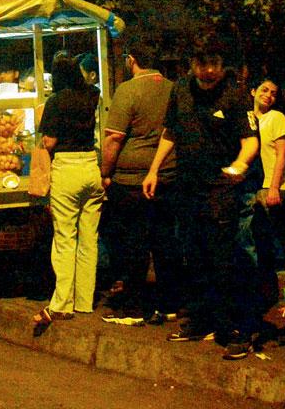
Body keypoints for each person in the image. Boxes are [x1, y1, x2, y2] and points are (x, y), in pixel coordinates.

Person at [144, 36, 262, 360]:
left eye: (214, 64)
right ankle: (199, 320)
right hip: (188, 187)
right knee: (194, 257)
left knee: (228, 259)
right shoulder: (181, 89)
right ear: (191, 64)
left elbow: (250, 141)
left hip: (222, 189)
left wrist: (237, 167)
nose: (208, 70)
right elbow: (171, 132)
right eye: (202, 63)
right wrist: (154, 169)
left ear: (222, 65)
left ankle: (239, 328)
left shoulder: (235, 93)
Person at [99, 41, 181, 325]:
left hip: (132, 178)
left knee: (132, 242)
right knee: (164, 240)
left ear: (131, 60)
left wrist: (105, 171)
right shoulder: (173, 88)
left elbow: (114, 138)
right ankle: (169, 304)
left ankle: (133, 307)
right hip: (168, 173)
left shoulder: (127, 90)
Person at [32, 55, 104, 333]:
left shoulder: (56, 101)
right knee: (89, 238)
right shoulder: (91, 96)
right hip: (90, 167)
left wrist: (42, 140)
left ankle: (62, 303)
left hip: (67, 168)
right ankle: (84, 300)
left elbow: (49, 141)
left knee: (65, 238)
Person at [252, 78, 285, 288]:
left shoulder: (276, 118)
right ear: (253, 92)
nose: (268, 95)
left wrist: (275, 187)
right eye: (264, 90)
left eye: (273, 93)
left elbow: (281, 155)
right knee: (258, 238)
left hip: (272, 184)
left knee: (273, 238)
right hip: (255, 184)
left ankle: (278, 287)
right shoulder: (249, 120)